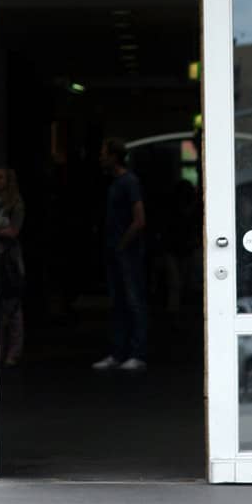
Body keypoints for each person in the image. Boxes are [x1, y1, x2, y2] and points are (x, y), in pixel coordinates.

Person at [93, 137, 148, 371]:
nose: (100, 158)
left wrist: (123, 244)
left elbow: (140, 219)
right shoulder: (114, 183)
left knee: (133, 301)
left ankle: (136, 353)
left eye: (103, 153)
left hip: (127, 252)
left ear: (114, 156)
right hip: (116, 251)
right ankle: (118, 352)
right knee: (118, 302)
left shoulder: (129, 182)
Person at [0, 167, 25, 367]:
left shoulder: (15, 204)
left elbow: (13, 231)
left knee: (12, 308)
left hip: (8, 260)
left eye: (0, 177)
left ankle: (13, 352)